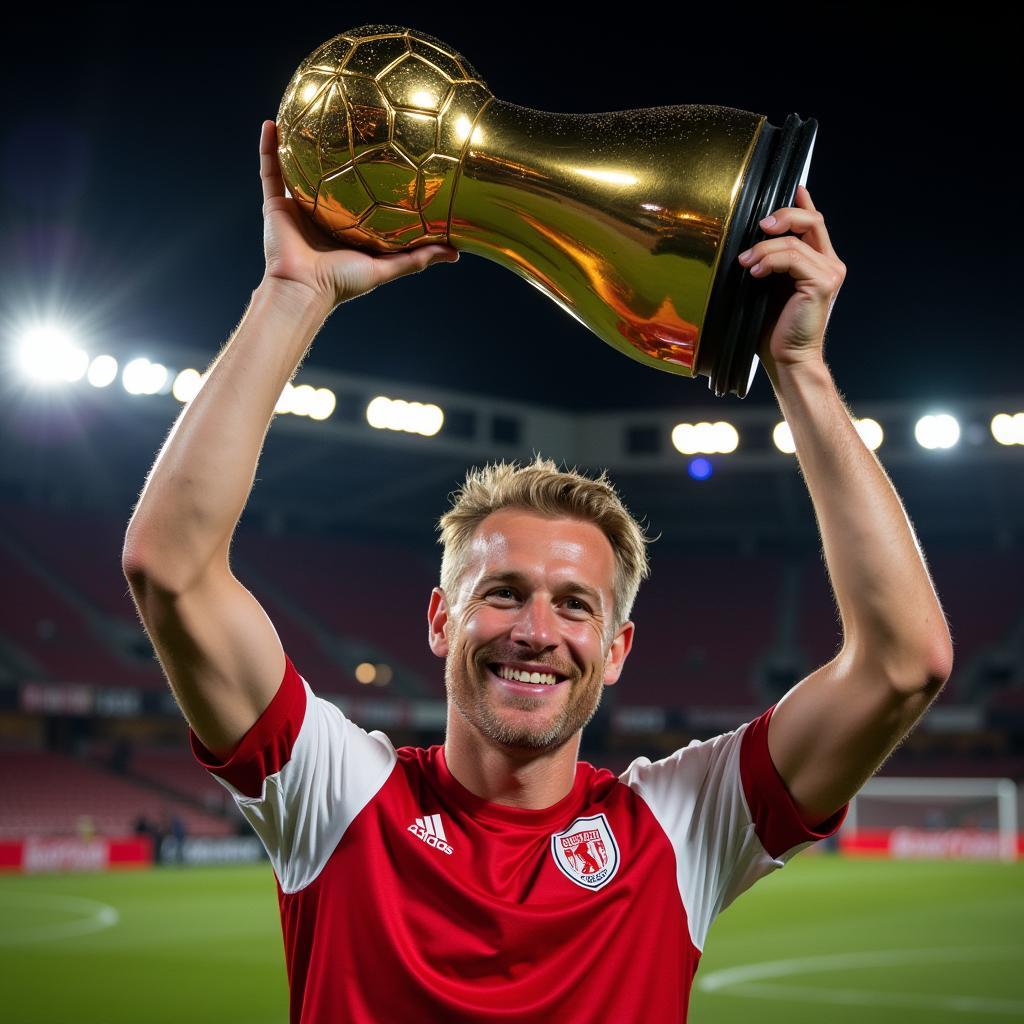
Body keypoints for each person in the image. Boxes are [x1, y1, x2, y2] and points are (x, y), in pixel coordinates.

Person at [122, 120, 953, 1023]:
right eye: (503, 592)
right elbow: (170, 570)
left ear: (618, 645)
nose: (535, 632)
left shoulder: (678, 828)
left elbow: (904, 664)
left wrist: (800, 370)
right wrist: (293, 292)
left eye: (574, 606)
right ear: (441, 618)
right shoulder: (339, 797)